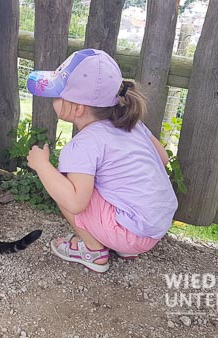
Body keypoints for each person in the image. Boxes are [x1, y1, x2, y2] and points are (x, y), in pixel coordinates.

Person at [26, 49, 178, 273]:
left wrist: (42, 165)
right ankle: (124, 244)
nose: (54, 99)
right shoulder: (132, 124)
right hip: (156, 228)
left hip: (132, 234)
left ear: (77, 107)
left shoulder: (83, 145)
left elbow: (76, 203)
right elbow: (162, 159)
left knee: (62, 184)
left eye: (58, 94)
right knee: (88, 182)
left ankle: (94, 251)